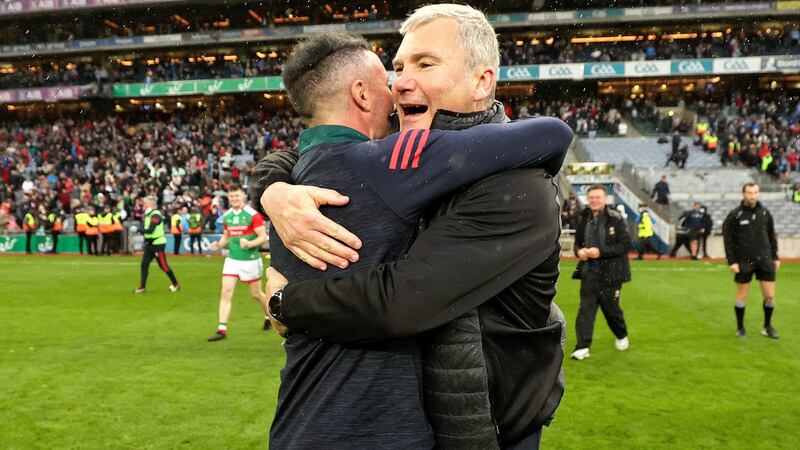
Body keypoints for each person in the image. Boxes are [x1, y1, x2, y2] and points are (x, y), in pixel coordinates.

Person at [254, 7, 569, 448]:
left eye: (425, 64)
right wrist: (273, 189)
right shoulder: (396, 157)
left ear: (482, 81)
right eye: (398, 67)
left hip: (480, 437)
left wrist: (286, 302)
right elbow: (319, 154)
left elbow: (401, 301)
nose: (400, 82)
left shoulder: (518, 189)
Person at [571, 185, 632, 361]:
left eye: (598, 197)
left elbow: (625, 244)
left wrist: (601, 252)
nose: (594, 200)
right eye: (591, 197)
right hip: (588, 272)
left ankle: (621, 334)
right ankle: (582, 347)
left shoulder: (616, 218)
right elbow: (577, 243)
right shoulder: (582, 217)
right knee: (585, 310)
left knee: (611, 310)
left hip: (611, 274)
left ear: (605, 199)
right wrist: (579, 252)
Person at [206, 185, 271, 341]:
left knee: (256, 294)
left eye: (237, 195)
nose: (234, 198)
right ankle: (222, 329)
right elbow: (226, 237)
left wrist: (249, 244)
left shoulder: (252, 215)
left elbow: (263, 237)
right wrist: (218, 245)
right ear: (228, 198)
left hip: (250, 260)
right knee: (226, 292)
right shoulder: (227, 216)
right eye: (231, 196)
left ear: (243, 196)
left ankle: (269, 315)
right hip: (232, 260)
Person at [723, 183, 780, 339]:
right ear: (743, 194)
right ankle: (740, 328)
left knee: (770, 296)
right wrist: (732, 261)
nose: (752, 196)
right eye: (749, 193)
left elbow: (771, 236)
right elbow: (728, 240)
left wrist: (775, 257)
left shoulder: (765, 213)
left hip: (765, 260)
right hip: (744, 261)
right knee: (742, 295)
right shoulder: (735, 214)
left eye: (755, 192)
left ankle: (767, 326)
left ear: (759, 194)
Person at [134, 196, 180, 294]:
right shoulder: (149, 215)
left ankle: (176, 284)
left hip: (157, 245)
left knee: (163, 265)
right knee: (144, 264)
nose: (143, 205)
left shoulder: (156, 215)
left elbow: (150, 230)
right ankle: (142, 286)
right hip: (150, 244)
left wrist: (138, 230)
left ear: (151, 205)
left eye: (145, 203)